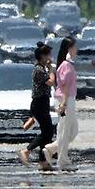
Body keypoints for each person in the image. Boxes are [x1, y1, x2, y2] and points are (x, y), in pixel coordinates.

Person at [43, 37, 79, 171]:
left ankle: (51, 149)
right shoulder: (66, 65)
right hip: (65, 99)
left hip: (69, 99)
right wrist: (63, 104)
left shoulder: (66, 65)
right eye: (75, 47)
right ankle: (62, 159)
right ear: (70, 49)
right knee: (64, 130)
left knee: (72, 130)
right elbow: (65, 87)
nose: (77, 50)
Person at [18, 42, 55, 171]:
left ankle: (43, 161)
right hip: (38, 104)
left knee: (47, 133)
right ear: (43, 56)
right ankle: (26, 151)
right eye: (48, 55)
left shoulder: (41, 69)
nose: (50, 57)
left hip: (43, 103)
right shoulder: (38, 69)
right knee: (48, 132)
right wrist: (51, 70)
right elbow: (50, 82)